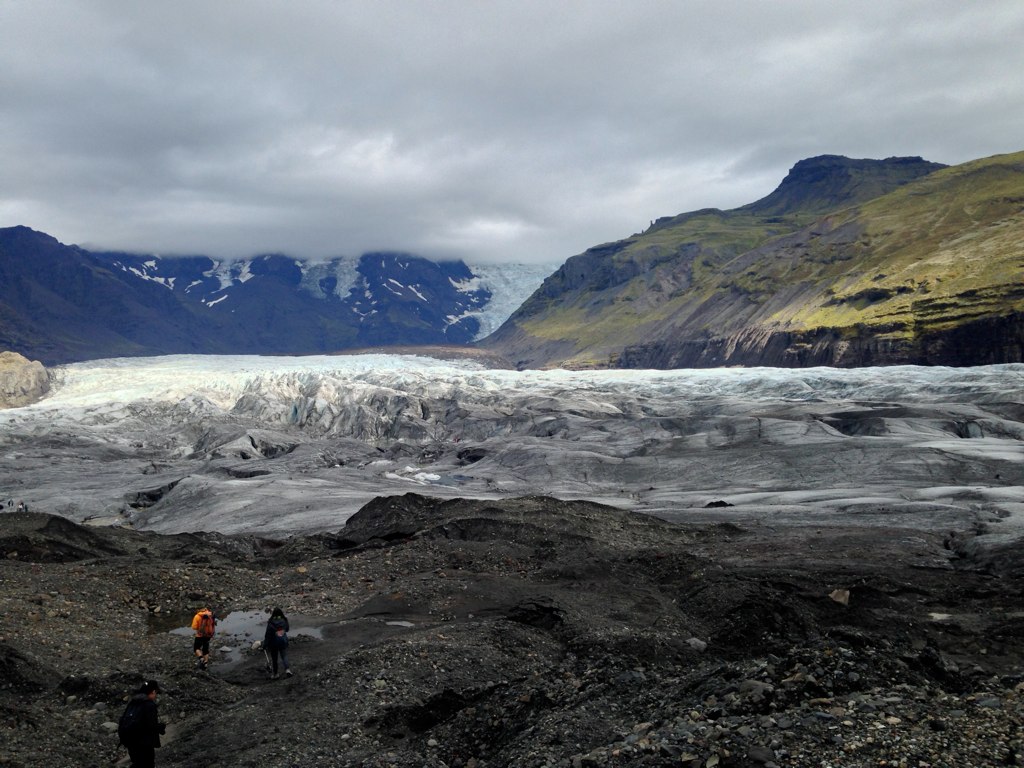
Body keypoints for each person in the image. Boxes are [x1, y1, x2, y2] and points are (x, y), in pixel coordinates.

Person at [118, 680, 165, 768]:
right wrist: (161, 727)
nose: (156, 696)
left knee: (137, 764)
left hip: (130, 742)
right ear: (153, 691)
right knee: (148, 764)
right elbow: (151, 726)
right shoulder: (149, 705)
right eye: (156, 693)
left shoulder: (133, 702)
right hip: (144, 744)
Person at [263, 607, 292, 679]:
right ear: (281, 613)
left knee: (274, 659)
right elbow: (287, 629)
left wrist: (265, 644)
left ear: (273, 614)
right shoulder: (284, 620)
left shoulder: (271, 622)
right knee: (284, 656)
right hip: (282, 641)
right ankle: (287, 670)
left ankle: (275, 674)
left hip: (273, 643)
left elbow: (268, 635)